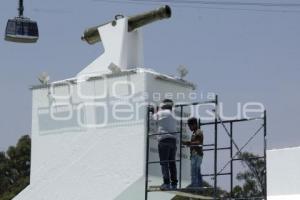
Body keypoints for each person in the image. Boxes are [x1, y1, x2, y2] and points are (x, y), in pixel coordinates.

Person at [152, 99, 178, 190]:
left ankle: (166, 183)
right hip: (173, 141)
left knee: (164, 163)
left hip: (164, 140)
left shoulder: (162, 113)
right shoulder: (173, 115)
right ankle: (174, 183)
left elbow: (154, 117)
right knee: (172, 163)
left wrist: (155, 109)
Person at [182, 117, 204, 188]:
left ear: (194, 124)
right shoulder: (195, 132)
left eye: (190, 126)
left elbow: (198, 142)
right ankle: (199, 185)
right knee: (197, 170)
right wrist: (188, 143)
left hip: (196, 154)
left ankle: (195, 185)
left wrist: (189, 143)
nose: (189, 128)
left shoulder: (198, 131)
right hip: (195, 154)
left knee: (194, 170)